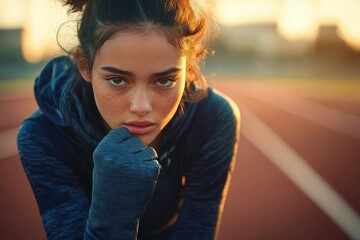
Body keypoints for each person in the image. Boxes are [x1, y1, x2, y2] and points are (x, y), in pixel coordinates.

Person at [17, 0, 240, 239]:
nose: (141, 107)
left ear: (188, 68)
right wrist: (113, 211)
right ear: (84, 64)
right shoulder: (45, 136)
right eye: (117, 80)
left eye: (164, 81)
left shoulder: (211, 120)